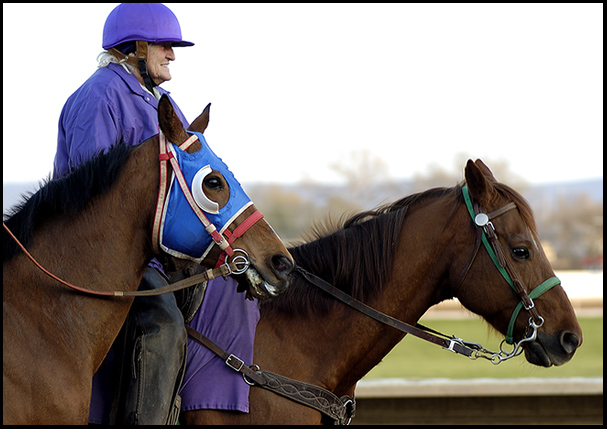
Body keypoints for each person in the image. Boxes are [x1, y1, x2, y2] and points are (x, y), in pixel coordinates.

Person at [53, 3, 260, 424]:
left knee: (232, 295)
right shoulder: (98, 97)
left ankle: (209, 411)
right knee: (161, 323)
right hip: (104, 258)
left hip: (157, 252)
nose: (172, 55)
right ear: (135, 47)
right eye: (165, 45)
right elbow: (96, 203)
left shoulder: (164, 103)